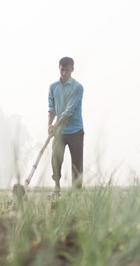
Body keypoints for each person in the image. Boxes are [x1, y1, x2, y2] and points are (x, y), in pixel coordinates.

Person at [48, 57, 84, 191]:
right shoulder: (53, 87)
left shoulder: (77, 88)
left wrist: (55, 125)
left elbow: (68, 111)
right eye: (62, 70)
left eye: (67, 70)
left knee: (77, 164)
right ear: (59, 68)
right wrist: (49, 125)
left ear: (72, 70)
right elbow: (51, 109)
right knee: (56, 159)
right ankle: (57, 186)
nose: (64, 73)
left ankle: (77, 193)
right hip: (59, 132)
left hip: (75, 131)